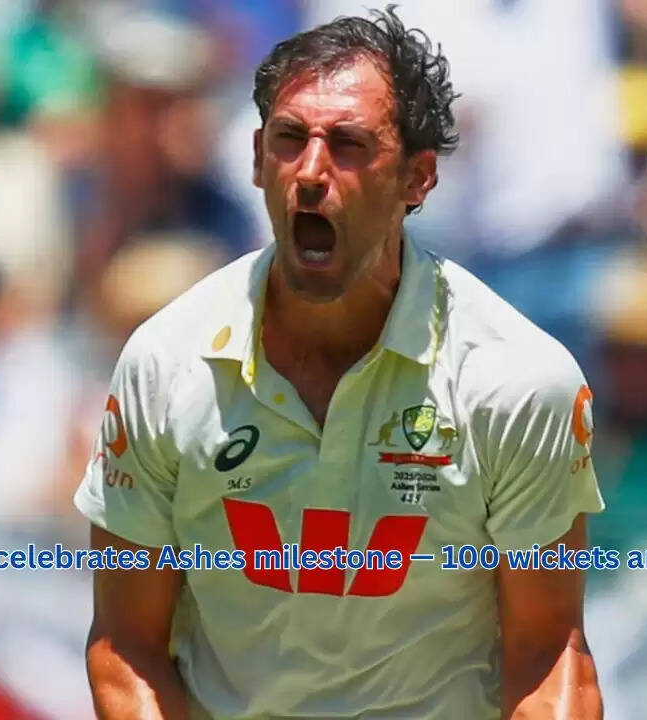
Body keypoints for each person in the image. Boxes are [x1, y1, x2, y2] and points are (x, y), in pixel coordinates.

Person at [75, 7, 605, 719]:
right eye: (290, 140)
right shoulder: (166, 364)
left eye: (349, 144)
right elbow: (124, 643)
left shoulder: (518, 381)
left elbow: (547, 654)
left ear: (419, 179)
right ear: (258, 158)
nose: (311, 172)